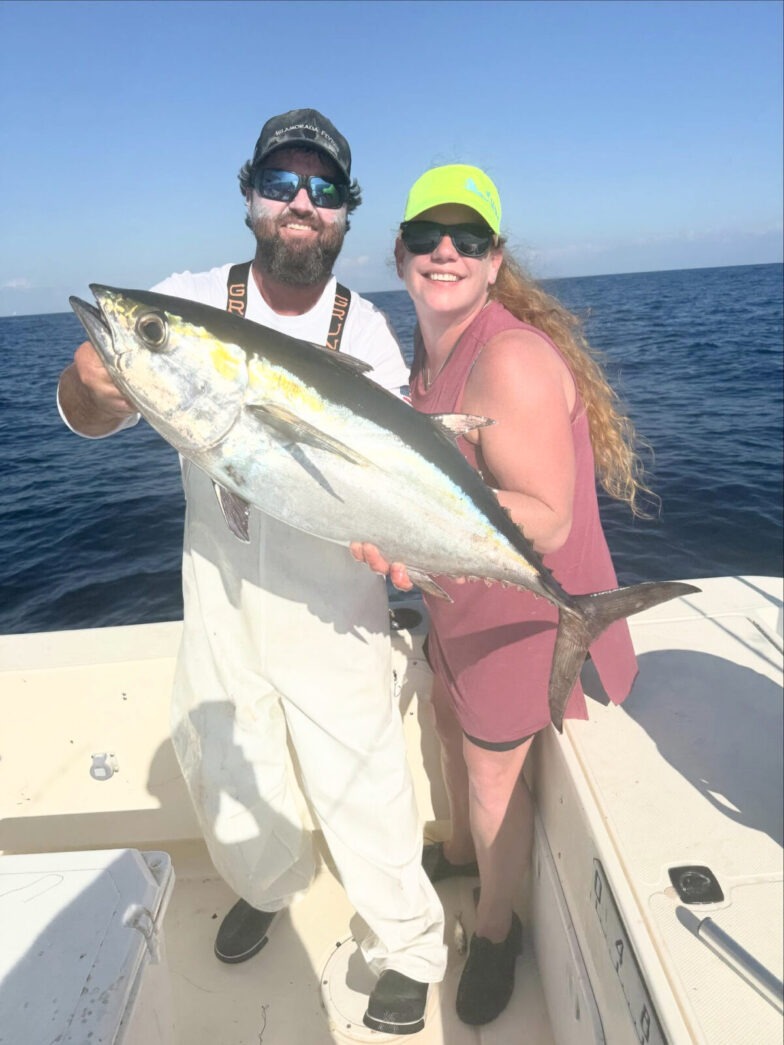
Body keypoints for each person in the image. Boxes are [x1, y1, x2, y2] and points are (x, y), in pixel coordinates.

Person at [57, 109, 447, 1036]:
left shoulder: (371, 334)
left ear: (347, 212)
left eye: (321, 188)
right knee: (230, 763)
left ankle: (407, 946)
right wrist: (92, 381)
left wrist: (410, 545)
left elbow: (395, 486)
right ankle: (270, 888)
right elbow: (88, 409)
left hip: (338, 605)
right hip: (220, 593)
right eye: (280, 183)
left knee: (363, 781)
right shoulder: (184, 301)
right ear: (250, 197)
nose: (300, 203)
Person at [351, 163, 649, 1026]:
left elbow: (549, 522)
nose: (447, 251)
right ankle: (454, 853)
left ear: (493, 260)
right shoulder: (433, 348)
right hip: (459, 607)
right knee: (443, 720)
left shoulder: (508, 358)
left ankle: (494, 927)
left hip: (527, 613)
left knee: (490, 779)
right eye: (429, 237)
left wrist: (394, 521)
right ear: (401, 252)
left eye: (469, 238)